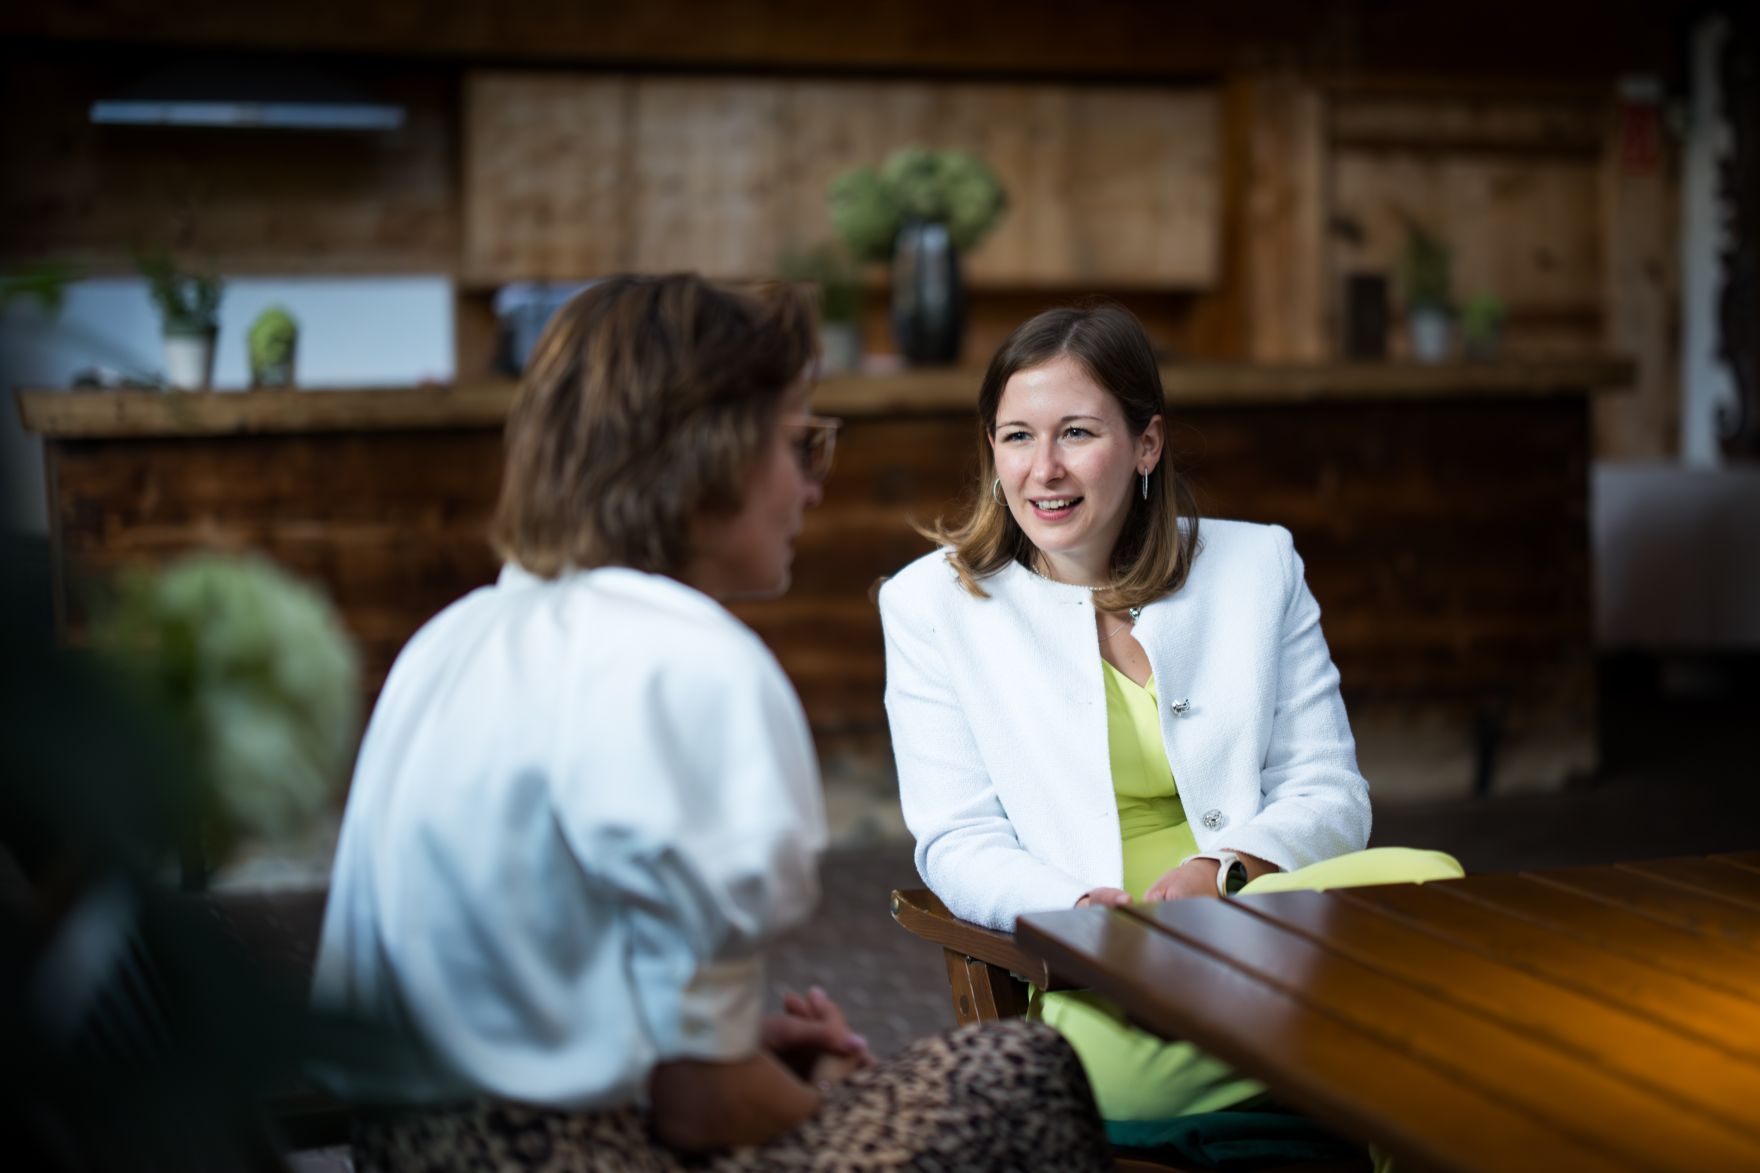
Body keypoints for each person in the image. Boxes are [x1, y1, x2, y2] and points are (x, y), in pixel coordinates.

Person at [311, 275, 1112, 1171]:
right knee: (1021, 1070)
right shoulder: (689, 660)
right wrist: (819, 1093)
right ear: (715, 452)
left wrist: (725, 1049)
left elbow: (541, 992)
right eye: (800, 443)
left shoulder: (453, 639)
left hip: (399, 1151)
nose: (812, 486)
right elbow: (702, 1107)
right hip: (572, 1156)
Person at [878, 301, 1462, 1140]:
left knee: (1429, 881)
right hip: (1107, 969)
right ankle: (1356, 1042)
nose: (1043, 468)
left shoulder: (1259, 563)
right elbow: (956, 839)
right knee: (1422, 1027)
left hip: (1267, 921)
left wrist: (1224, 867)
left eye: (1077, 432)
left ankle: (1306, 1044)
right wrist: (1080, 906)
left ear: (1146, 445)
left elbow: (1329, 787)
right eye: (1016, 436)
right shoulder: (930, 604)